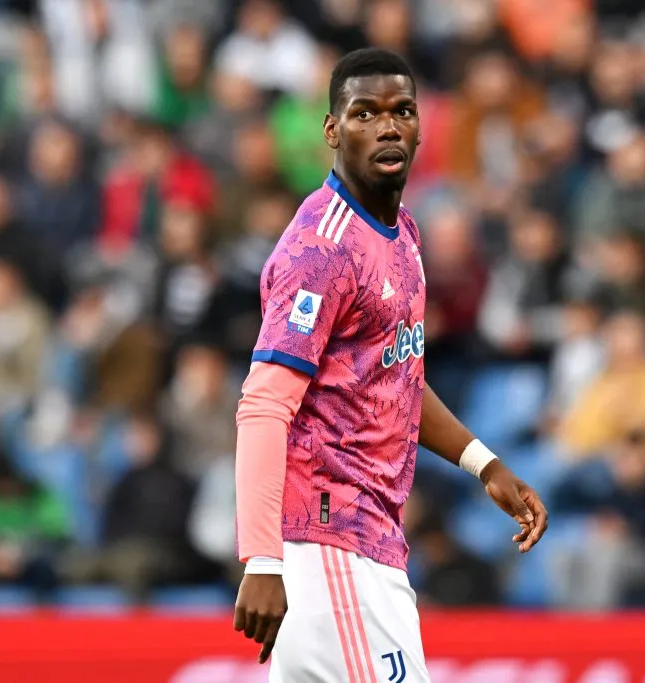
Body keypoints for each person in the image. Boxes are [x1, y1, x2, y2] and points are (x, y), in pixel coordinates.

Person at [232, 48, 549, 681]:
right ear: (332, 130)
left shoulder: (401, 230)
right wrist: (262, 562)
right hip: (331, 544)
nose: (387, 126)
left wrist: (481, 463)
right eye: (364, 113)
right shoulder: (320, 253)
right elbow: (264, 405)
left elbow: (390, 380)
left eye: (402, 110)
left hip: (366, 540)